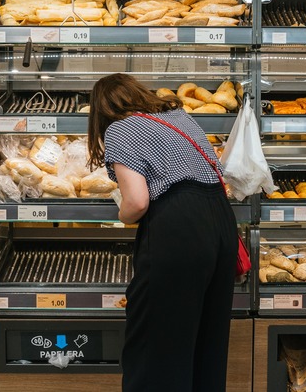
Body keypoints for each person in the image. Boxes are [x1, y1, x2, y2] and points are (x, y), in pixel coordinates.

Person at [87, 73, 237, 392]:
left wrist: (122, 214)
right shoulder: (178, 115)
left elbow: (137, 202)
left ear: (102, 109)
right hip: (220, 220)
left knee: (157, 343)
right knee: (206, 341)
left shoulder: (119, 129)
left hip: (179, 226)